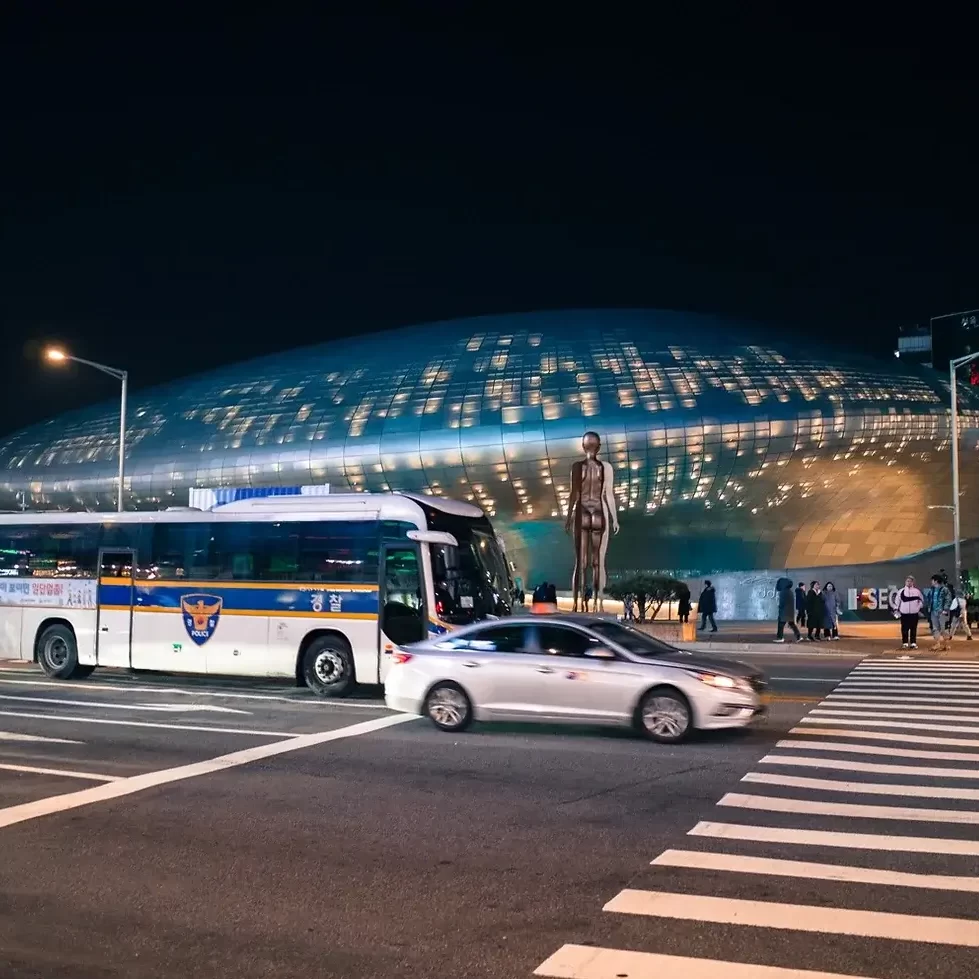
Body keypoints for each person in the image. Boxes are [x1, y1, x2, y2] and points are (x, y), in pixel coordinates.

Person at [895, 575, 924, 649]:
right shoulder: (901, 591)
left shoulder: (917, 591)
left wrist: (918, 608)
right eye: (907, 581)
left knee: (913, 628)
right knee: (904, 629)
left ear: (913, 582)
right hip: (904, 613)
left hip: (914, 613)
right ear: (905, 582)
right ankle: (905, 643)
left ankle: (913, 643)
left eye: (910, 581)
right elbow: (897, 601)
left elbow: (921, 601)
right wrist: (896, 609)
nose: (909, 582)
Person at [774, 576, 801, 643]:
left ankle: (780, 637)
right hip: (790, 612)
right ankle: (799, 636)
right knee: (792, 624)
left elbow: (782, 603)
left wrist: (779, 607)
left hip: (784, 612)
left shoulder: (783, 592)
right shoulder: (790, 591)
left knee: (780, 625)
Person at [930, 573, 952, 647]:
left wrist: (945, 609)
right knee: (935, 628)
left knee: (944, 628)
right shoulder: (932, 590)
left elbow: (948, 599)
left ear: (936, 581)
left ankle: (947, 644)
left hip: (942, 612)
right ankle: (937, 644)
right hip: (934, 612)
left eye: (932, 580)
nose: (931, 582)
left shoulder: (944, 589)